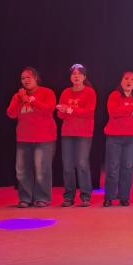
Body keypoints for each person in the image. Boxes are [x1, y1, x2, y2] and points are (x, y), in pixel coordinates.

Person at [6, 67, 57, 208]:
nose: (26, 80)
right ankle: (25, 198)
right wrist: (19, 100)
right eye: (23, 78)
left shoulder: (47, 92)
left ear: (36, 78)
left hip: (44, 138)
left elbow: (49, 109)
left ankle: (42, 198)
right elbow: (11, 114)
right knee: (22, 171)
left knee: (42, 170)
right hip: (23, 138)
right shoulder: (18, 96)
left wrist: (30, 100)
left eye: (28, 77)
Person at [103, 70, 133, 207]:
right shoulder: (114, 95)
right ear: (121, 81)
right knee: (112, 167)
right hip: (114, 136)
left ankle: (124, 197)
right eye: (126, 79)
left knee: (128, 167)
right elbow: (113, 112)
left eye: (132, 79)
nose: (129, 82)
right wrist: (130, 108)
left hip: (131, 137)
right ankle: (109, 197)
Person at [56, 63, 96, 207]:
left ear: (84, 77)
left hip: (83, 133)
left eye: (79, 74)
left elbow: (89, 112)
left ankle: (85, 196)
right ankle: (68, 196)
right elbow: (60, 115)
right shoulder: (65, 92)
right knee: (67, 165)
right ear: (70, 77)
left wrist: (70, 110)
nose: (76, 76)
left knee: (82, 164)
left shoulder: (90, 92)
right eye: (74, 74)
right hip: (67, 132)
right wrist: (62, 110)